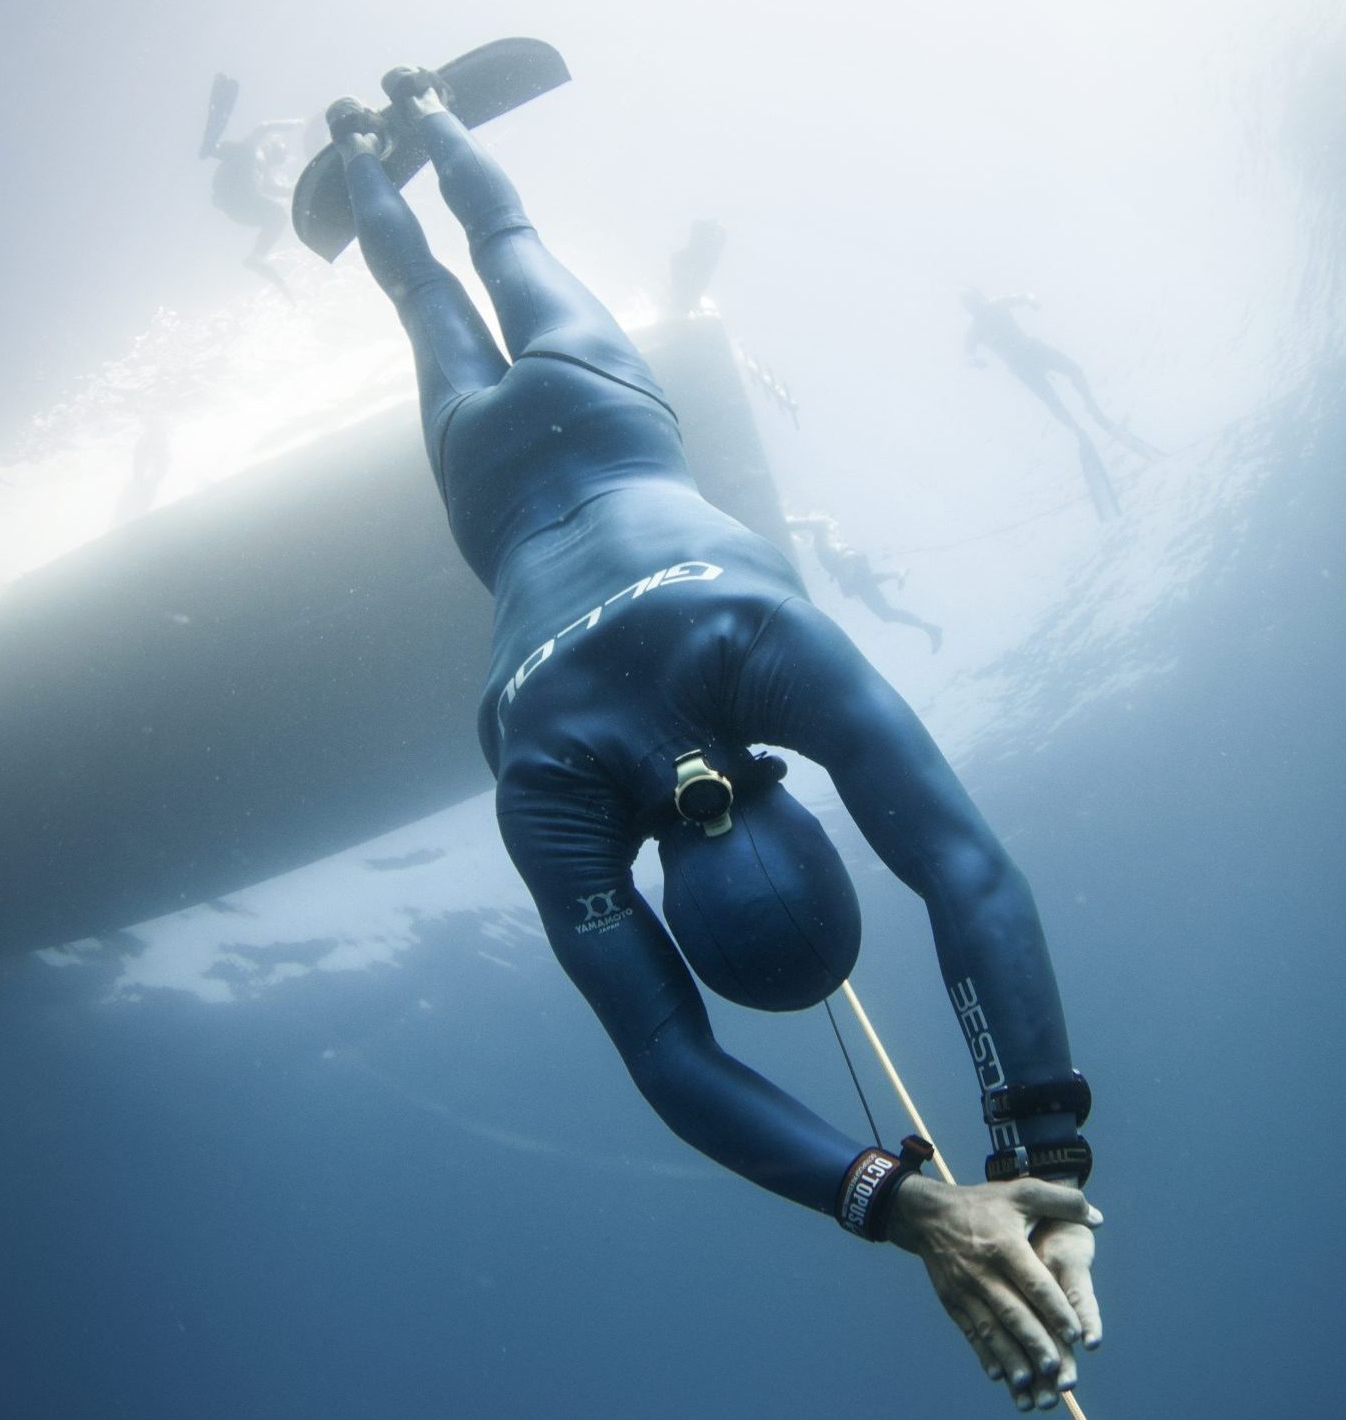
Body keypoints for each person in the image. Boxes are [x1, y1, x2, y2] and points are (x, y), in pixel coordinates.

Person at [320, 67, 1103, 1411]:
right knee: (432, 302)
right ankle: (375, 147)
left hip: (604, 417)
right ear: (665, 898)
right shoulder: (542, 784)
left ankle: (430, 114)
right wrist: (907, 1208)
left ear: (794, 809)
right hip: (495, 494)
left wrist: (1046, 1166)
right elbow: (671, 1063)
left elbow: (964, 874)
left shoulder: (757, 642)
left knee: (509, 251)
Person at [962, 287, 1159, 522]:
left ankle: (1090, 413)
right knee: (1055, 399)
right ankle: (1080, 428)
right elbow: (968, 354)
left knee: (1072, 374)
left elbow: (1025, 296)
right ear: (972, 307)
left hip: (1030, 352)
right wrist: (975, 361)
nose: (977, 307)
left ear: (979, 299)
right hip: (1023, 363)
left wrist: (1033, 301)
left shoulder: (994, 307)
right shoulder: (976, 327)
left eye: (975, 302)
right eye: (972, 305)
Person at [201, 74, 305, 298]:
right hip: (234, 198)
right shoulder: (253, 149)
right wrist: (292, 124)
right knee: (242, 154)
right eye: (279, 151)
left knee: (279, 216)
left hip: (240, 208)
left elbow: (278, 190)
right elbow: (262, 127)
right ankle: (213, 148)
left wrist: (303, 186)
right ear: (273, 146)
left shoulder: (263, 172)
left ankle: (257, 256)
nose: (278, 157)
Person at [787, 512, 942, 652]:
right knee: (885, 613)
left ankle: (895, 574)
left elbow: (796, 523)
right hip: (849, 563)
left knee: (854, 589)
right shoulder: (823, 531)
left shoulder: (822, 523)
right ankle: (928, 627)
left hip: (847, 561)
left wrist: (784, 521)